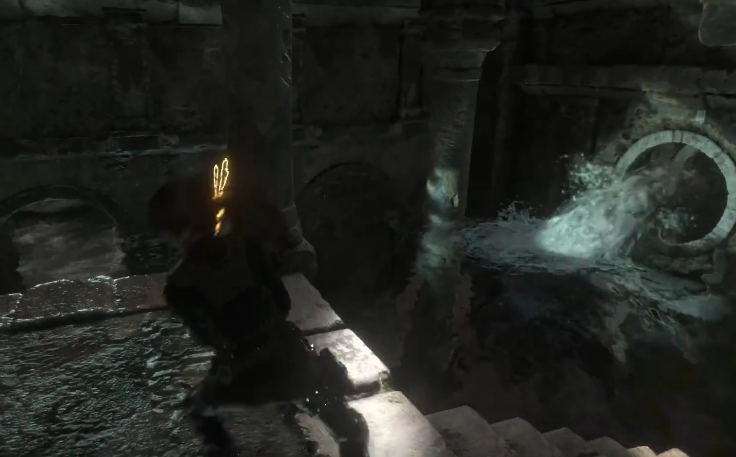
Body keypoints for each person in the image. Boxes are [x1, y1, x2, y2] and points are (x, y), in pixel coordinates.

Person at [147, 172, 317, 456]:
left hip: (246, 372)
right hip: (291, 355)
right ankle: (341, 424)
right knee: (309, 380)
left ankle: (223, 451)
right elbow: (282, 302)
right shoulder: (246, 245)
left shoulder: (178, 283)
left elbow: (208, 336)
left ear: (169, 232)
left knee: (198, 407)